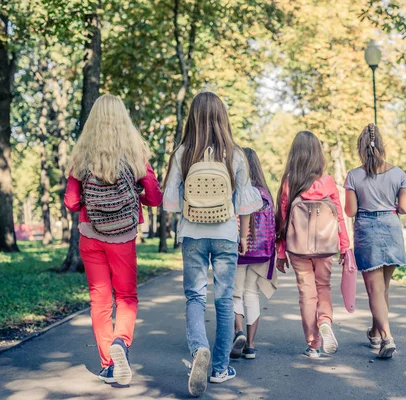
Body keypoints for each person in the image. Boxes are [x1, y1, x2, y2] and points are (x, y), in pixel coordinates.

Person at [163, 92, 262, 397]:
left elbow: (171, 202)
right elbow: (246, 204)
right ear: (222, 117)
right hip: (225, 234)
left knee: (194, 297)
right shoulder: (234, 154)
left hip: (192, 233)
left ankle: (199, 351)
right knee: (223, 300)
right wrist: (244, 236)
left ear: (192, 117)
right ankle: (219, 368)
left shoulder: (183, 152)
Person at [64, 94, 163, 385]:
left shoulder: (82, 156)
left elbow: (71, 203)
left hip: (90, 234)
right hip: (123, 236)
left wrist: (88, 200)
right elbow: (155, 197)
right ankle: (121, 341)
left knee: (100, 300)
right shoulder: (135, 153)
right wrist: (136, 197)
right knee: (127, 297)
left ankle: (108, 364)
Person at [275, 130, 350, 359]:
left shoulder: (290, 182)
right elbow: (339, 217)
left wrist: (280, 252)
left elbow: (283, 218)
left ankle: (313, 344)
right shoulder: (328, 183)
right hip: (325, 246)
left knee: (307, 294)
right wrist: (344, 246)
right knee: (323, 287)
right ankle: (325, 321)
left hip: (298, 247)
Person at [344, 123, 406, 359]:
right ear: (382, 145)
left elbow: (350, 211)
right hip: (391, 228)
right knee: (382, 289)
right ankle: (375, 333)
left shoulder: (353, 175)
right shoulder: (398, 174)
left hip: (367, 229)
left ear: (360, 148)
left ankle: (387, 338)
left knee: (374, 290)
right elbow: (405, 207)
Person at [230, 148, 278, 360]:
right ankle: (251, 345)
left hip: (240, 249)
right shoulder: (266, 193)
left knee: (235, 293)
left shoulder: (239, 191)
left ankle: (238, 332)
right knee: (252, 293)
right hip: (261, 251)